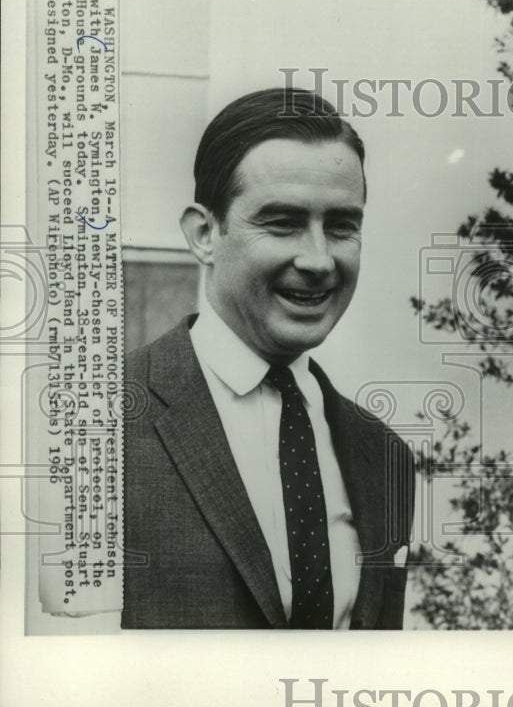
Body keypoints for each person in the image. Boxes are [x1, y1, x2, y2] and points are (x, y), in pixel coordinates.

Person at [122, 88, 413, 629]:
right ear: (205, 234)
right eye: (282, 223)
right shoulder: (95, 425)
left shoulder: (386, 457)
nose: (319, 259)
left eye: (342, 226)